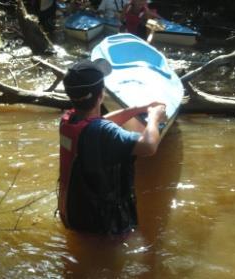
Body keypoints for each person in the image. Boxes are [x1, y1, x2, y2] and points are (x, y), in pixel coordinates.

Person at [58, 58, 166, 235]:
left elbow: (100, 122)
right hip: (101, 223)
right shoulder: (102, 133)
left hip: (74, 212)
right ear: (101, 95)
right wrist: (154, 117)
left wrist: (136, 109)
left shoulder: (68, 121)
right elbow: (148, 146)